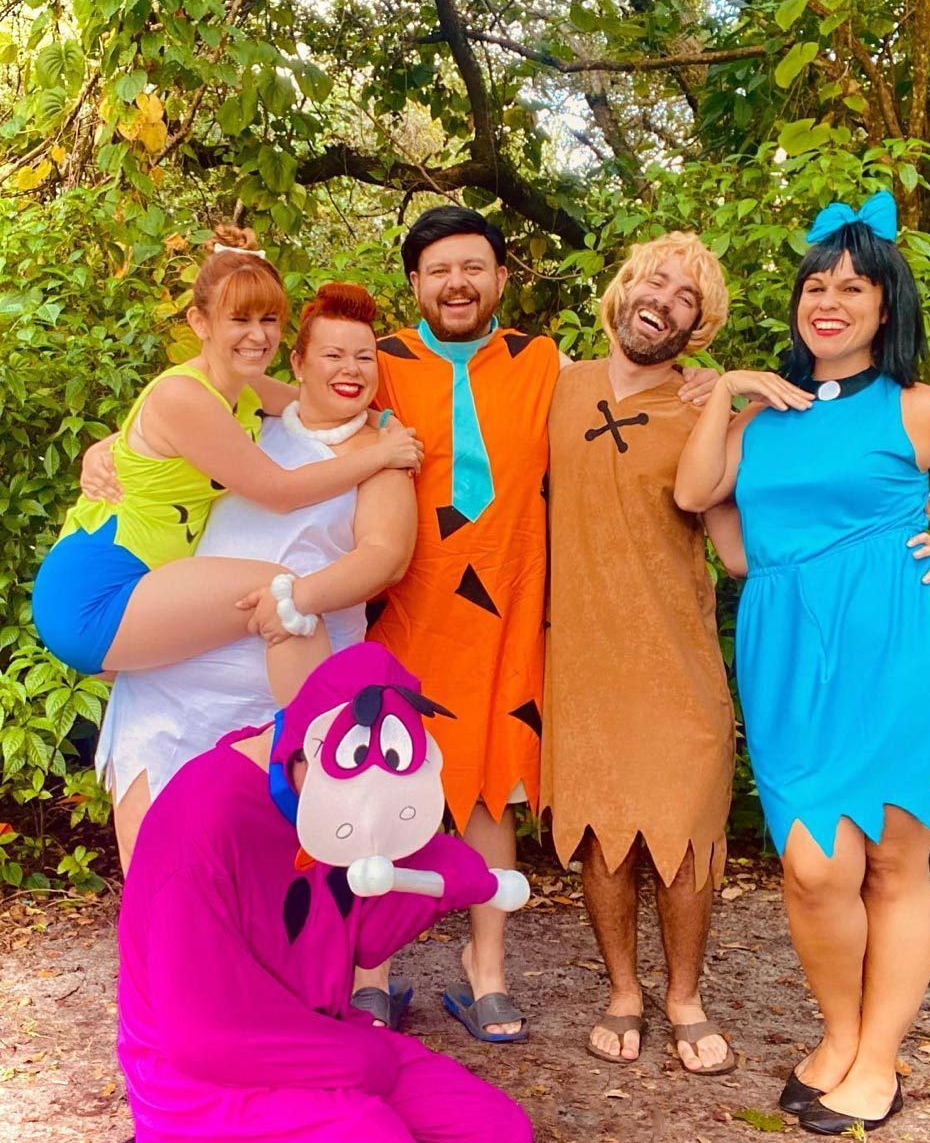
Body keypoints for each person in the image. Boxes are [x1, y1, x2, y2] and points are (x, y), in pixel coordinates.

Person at [675, 191, 930, 1133]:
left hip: (905, 647)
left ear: (885, 306)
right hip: (788, 657)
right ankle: (838, 1032)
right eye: (816, 285)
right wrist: (738, 385)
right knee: (814, 867)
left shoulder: (925, 410)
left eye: (853, 288)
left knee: (895, 864)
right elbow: (700, 496)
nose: (830, 301)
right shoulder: (762, 423)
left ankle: (874, 1058)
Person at [369, 208, 716, 1041]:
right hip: (402, 609)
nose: (458, 282)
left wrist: (718, 387)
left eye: (475, 267)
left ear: (500, 279)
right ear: (415, 283)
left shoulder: (543, 366)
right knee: (382, 785)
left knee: (494, 787)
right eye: (440, 269)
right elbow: (297, 405)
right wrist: (126, 444)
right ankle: (367, 972)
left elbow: (648, 398)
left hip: (509, 610)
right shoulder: (377, 364)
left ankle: (484, 970)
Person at [541, 232, 807, 1075]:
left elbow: (733, 549)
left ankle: (683, 995)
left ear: (697, 328)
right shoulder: (554, 384)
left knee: (687, 835)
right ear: (623, 291)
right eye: (654, 280)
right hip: (579, 657)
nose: (665, 298)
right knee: (601, 833)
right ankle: (624, 991)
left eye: (686, 297)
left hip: (675, 660)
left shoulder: (704, 410)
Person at [117, 641, 533, 1143]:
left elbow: (363, 937)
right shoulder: (199, 822)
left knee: (496, 1130)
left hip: (324, 1033)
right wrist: (362, 1058)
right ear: (302, 748)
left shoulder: (347, 798)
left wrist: (443, 878)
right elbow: (201, 1038)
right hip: (203, 1079)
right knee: (371, 1134)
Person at [91, 282, 418, 872]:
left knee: (272, 872)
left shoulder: (384, 453)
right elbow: (161, 436)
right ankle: (158, 965)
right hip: (175, 677)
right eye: (333, 355)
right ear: (297, 363)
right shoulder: (250, 422)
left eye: (365, 356)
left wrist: (297, 597)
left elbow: (384, 556)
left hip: (283, 680)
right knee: (156, 869)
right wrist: (105, 447)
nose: (350, 369)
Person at [32, 225, 419, 716]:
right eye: (240, 318)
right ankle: (324, 755)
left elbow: (319, 398)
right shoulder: (184, 395)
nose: (258, 336)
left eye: (269, 319)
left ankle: (300, 758)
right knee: (286, 593)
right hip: (99, 589)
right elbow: (278, 491)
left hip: (150, 580)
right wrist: (382, 454)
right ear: (200, 322)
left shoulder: (248, 390)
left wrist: (384, 422)